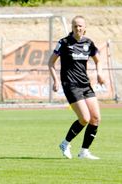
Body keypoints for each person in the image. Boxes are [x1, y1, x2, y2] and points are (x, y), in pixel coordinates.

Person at [48, 15, 105, 160]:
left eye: (80, 26)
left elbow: (98, 61)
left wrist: (99, 74)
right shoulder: (64, 42)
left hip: (85, 84)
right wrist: (55, 80)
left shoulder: (89, 43)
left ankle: (84, 151)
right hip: (70, 85)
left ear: (85, 28)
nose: (78, 28)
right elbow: (51, 63)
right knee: (85, 118)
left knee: (96, 118)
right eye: (75, 26)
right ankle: (65, 144)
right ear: (72, 28)